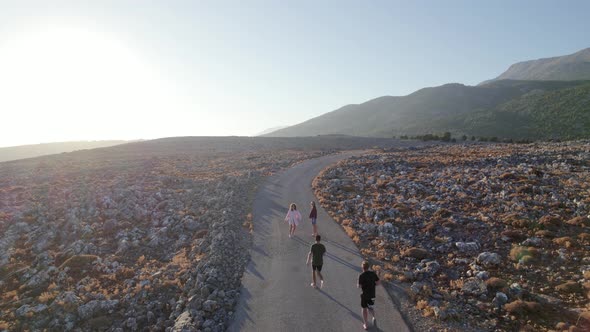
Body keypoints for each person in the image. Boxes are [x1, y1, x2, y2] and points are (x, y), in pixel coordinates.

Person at [358, 260, 380, 330]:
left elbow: (359, 286)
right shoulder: (373, 274)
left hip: (365, 295)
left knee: (364, 309)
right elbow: (378, 283)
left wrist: (358, 282)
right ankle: (373, 317)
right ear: (369, 267)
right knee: (370, 307)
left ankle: (366, 325)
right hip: (372, 294)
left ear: (362, 267)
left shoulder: (361, 275)